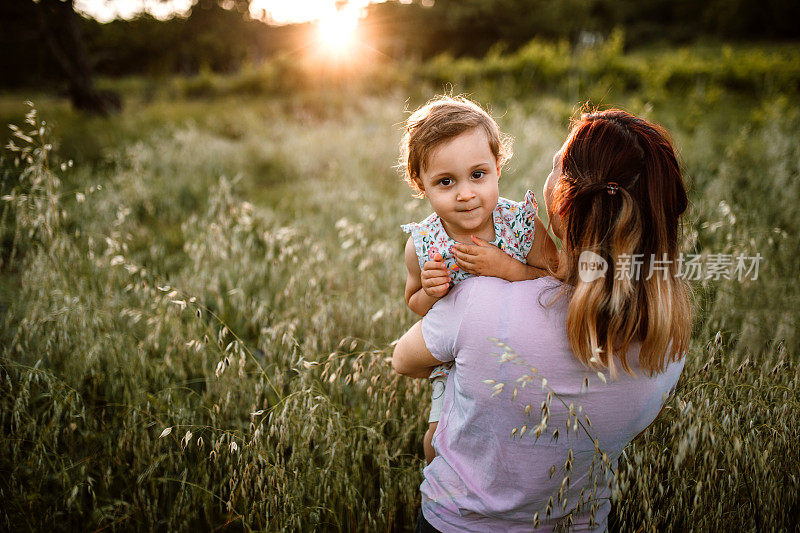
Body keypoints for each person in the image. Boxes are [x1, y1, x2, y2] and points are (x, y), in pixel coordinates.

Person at [393, 108, 692, 532]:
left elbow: (403, 360)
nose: (465, 193)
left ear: (565, 200)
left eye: (556, 166)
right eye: (447, 181)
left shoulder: (482, 302)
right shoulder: (669, 341)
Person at [398, 95, 559, 464]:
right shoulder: (423, 243)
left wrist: (507, 268)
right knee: (436, 440)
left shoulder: (519, 224)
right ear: (420, 183)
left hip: (524, 352)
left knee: (516, 436)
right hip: (458, 362)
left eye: (478, 175)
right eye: (445, 182)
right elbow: (413, 302)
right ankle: (446, 493)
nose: (466, 194)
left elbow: (559, 275)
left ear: (498, 166)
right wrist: (431, 290)